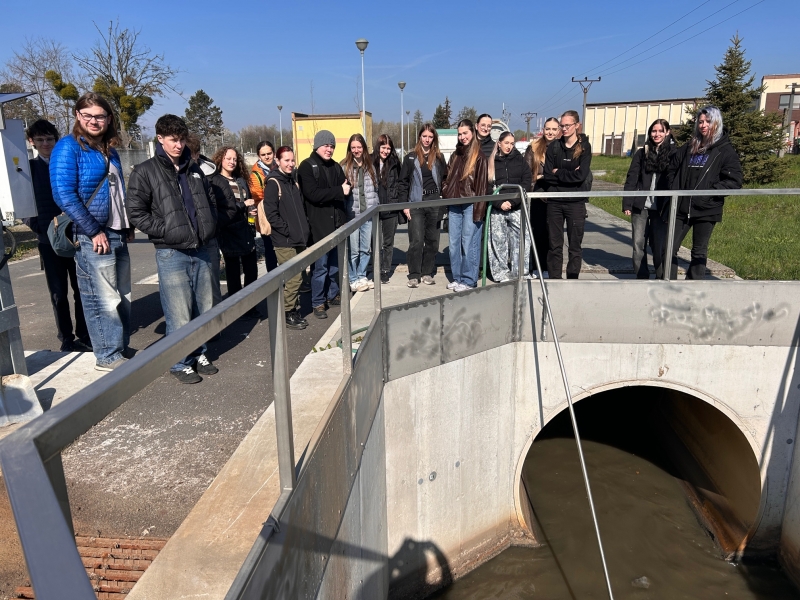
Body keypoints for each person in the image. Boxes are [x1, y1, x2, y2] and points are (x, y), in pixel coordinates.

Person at [126, 114, 219, 384]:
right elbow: (135, 212)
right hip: (171, 251)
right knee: (178, 311)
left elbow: (209, 201)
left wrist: (208, 226)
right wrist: (168, 230)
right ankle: (179, 362)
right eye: (172, 140)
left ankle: (200, 352)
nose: (178, 145)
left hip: (201, 248)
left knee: (204, 307)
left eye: (181, 140)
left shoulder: (194, 168)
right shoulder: (145, 171)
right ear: (160, 139)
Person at [50, 92, 132, 371]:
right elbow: (64, 194)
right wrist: (93, 230)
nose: (94, 121)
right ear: (77, 116)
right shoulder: (68, 147)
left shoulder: (110, 149)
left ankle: (119, 347)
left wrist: (127, 225)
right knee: (101, 298)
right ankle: (107, 355)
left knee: (122, 295)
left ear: (109, 119)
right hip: (92, 234)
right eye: (88, 116)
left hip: (116, 231)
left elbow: (118, 192)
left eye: (100, 116)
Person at [24, 119, 91, 353]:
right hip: (48, 240)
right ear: (31, 141)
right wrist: (39, 227)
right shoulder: (29, 169)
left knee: (81, 289)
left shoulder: (67, 164)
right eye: (40, 140)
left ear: (56, 140)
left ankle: (85, 333)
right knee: (58, 293)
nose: (45, 144)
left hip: (75, 234)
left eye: (49, 139)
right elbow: (24, 206)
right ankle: (66, 337)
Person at [665, 106, 742, 280]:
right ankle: (668, 285)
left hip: (707, 208)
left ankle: (694, 291)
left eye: (708, 121)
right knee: (668, 248)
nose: (703, 125)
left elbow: (734, 181)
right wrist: (674, 189)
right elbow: (672, 168)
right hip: (682, 207)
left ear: (717, 123)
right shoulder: (689, 146)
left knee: (699, 252)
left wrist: (708, 193)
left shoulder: (725, 150)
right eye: (700, 121)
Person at [297, 130, 350, 319]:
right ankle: (318, 301)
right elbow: (313, 194)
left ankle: (332, 294)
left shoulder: (335, 166)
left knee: (334, 264)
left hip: (337, 224)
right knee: (320, 267)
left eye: (332, 146)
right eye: (326, 145)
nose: (330, 149)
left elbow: (345, 186)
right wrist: (339, 190)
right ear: (317, 146)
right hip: (318, 226)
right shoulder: (306, 167)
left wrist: (344, 189)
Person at [262, 146, 310, 330]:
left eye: (292, 160)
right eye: (286, 160)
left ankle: (292, 309)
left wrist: (303, 229)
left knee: (297, 277)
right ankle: (287, 312)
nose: (290, 164)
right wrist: (287, 231)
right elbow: (271, 213)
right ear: (278, 161)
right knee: (294, 278)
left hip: (298, 238)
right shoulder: (274, 183)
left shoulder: (292, 181)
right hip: (285, 241)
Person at [209, 146, 259, 318]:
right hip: (228, 231)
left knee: (251, 270)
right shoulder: (215, 181)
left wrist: (249, 210)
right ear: (220, 160)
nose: (231, 162)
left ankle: (250, 305)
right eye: (228, 158)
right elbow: (220, 211)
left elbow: (246, 201)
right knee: (233, 272)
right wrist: (241, 206)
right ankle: (236, 307)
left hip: (244, 229)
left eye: (234, 159)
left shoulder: (240, 180)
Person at [542, 110, 592, 279]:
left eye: (567, 125)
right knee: (554, 245)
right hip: (555, 201)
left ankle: (572, 280)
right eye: (561, 126)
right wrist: (566, 175)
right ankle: (554, 280)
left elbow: (581, 177)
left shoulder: (584, 147)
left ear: (577, 125)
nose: (563, 129)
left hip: (576, 202)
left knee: (575, 246)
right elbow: (548, 176)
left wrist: (559, 172)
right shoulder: (554, 147)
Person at [397, 124, 448, 288]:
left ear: (434, 139)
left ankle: (427, 272)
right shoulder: (411, 157)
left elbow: (445, 180)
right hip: (416, 203)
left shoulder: (439, 158)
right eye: (424, 136)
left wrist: (444, 202)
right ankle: (414, 274)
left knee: (433, 241)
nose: (427, 139)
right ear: (420, 137)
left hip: (434, 202)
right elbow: (403, 183)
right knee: (416, 240)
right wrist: (405, 205)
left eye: (430, 137)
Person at [623, 119, 675, 279]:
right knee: (638, 244)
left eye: (660, 131)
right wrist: (627, 203)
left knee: (659, 245)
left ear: (667, 132)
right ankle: (641, 276)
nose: (657, 134)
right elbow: (632, 177)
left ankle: (661, 276)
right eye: (654, 131)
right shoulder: (642, 152)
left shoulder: (674, 153)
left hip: (661, 208)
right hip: (641, 206)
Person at [443, 119, 489, 292]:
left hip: (471, 204)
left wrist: (479, 212)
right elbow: (446, 177)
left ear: (473, 133)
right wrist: (446, 191)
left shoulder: (479, 156)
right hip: (454, 204)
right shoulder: (456, 155)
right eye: (460, 134)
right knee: (454, 243)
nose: (462, 137)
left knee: (469, 243)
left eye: (465, 133)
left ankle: (469, 280)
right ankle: (458, 277)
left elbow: (482, 187)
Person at [488, 132, 533, 281]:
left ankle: (520, 272)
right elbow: (486, 186)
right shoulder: (492, 162)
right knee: (498, 242)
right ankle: (500, 273)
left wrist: (514, 201)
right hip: (497, 208)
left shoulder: (519, 160)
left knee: (521, 241)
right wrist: (499, 202)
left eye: (512, 143)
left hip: (516, 207)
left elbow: (526, 181)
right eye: (506, 143)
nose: (509, 146)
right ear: (499, 143)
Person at [186, 134, 222, 306]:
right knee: (192, 287)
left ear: (196, 154)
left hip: (209, 237)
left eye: (190, 153)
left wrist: (211, 224)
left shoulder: (209, 175)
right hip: (187, 237)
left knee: (212, 283)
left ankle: (215, 328)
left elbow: (214, 203)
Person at [342, 133, 379, 292]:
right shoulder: (344, 166)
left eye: (359, 147)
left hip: (368, 214)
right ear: (350, 149)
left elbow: (375, 189)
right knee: (354, 250)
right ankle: (353, 278)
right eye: (353, 148)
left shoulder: (370, 165)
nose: (356, 150)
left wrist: (375, 204)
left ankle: (362, 275)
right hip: (353, 215)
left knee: (366, 249)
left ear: (363, 147)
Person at [524, 117, 560, 277]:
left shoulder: (562, 147)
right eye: (548, 129)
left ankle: (548, 268)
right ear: (543, 130)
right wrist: (541, 176)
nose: (550, 132)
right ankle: (536, 267)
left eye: (554, 129)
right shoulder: (533, 147)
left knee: (552, 234)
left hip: (556, 195)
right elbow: (527, 173)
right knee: (536, 233)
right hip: (537, 194)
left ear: (558, 130)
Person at [374, 133, 402, 284]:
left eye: (388, 148)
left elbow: (400, 183)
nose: (385, 151)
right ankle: (376, 269)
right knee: (376, 243)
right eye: (383, 147)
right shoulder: (370, 161)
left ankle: (385, 270)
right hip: (375, 210)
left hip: (391, 209)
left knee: (388, 243)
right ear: (378, 147)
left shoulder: (395, 163)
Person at [248, 141, 279, 272]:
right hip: (267, 218)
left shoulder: (278, 168)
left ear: (274, 153)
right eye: (263, 154)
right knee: (271, 251)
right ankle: (274, 282)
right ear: (259, 156)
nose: (267, 157)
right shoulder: (255, 175)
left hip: (281, 215)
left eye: (269, 153)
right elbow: (258, 198)